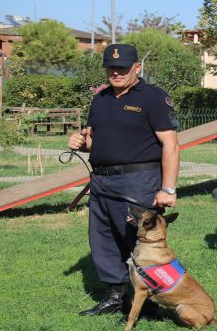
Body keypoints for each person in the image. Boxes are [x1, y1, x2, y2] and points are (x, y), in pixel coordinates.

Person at [67, 43, 180, 315]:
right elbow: (96, 141)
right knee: (103, 239)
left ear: (137, 68)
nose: (116, 73)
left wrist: (168, 188)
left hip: (138, 180)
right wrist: (82, 144)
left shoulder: (153, 97)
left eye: (122, 69)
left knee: (140, 240)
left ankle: (152, 301)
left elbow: (171, 145)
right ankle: (116, 295)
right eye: (111, 68)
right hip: (102, 181)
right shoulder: (100, 99)